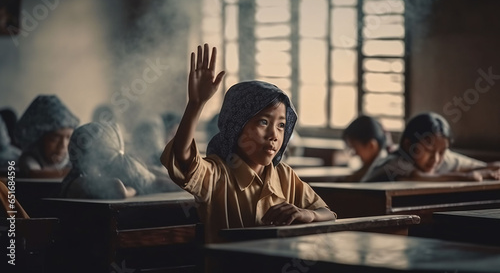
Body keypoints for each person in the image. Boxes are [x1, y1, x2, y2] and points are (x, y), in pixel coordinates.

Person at [160, 44, 336, 243]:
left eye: (281, 125)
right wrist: (196, 104)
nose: (274, 135)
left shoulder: (284, 176)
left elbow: (327, 213)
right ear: (237, 126)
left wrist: (309, 214)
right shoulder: (217, 176)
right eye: (263, 122)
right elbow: (182, 158)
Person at [362, 112, 500, 182]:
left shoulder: (441, 157)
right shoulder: (394, 162)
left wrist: (490, 170)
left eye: (442, 151)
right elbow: (423, 177)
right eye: (428, 151)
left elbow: (483, 167)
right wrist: (466, 176)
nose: (436, 159)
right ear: (408, 144)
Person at [60, 122, 179, 199]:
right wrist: (133, 189)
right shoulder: (78, 182)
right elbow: (119, 190)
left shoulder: (84, 175)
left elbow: (156, 179)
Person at [15, 95, 79, 178]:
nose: (63, 145)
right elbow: (35, 174)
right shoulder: (29, 159)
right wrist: (74, 173)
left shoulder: (72, 158)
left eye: (68, 138)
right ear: (40, 138)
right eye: (55, 138)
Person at [340, 115, 390, 182]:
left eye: (355, 148)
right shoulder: (370, 167)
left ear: (371, 145)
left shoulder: (382, 173)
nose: (354, 154)